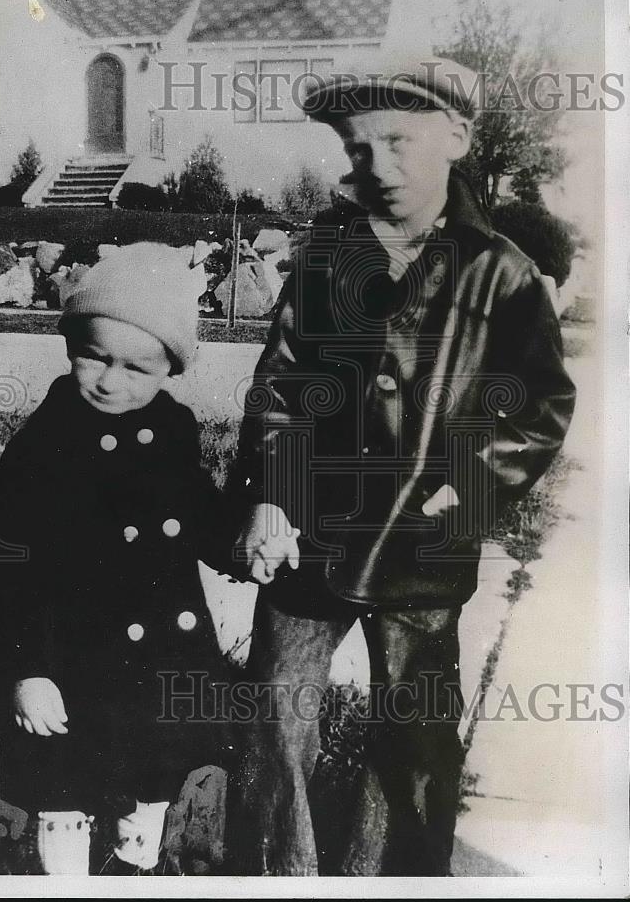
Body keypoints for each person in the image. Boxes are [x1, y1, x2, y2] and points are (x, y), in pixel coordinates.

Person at [225, 56, 576, 876]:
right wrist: (272, 495)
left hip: (421, 543)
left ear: (454, 138)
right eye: (356, 148)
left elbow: (538, 407)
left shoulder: (502, 274)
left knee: (412, 736)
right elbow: (279, 383)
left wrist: (471, 480)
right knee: (274, 714)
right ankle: (275, 875)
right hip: (310, 535)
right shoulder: (324, 259)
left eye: (397, 141)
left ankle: (394, 880)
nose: (374, 166)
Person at [0, 242, 234, 874]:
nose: (109, 380)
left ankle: (136, 855)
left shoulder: (173, 428)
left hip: (161, 653)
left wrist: (238, 544)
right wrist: (28, 670)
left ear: (169, 371)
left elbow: (195, 509)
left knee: (156, 769)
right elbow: (14, 570)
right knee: (63, 785)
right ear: (71, 346)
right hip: (71, 652)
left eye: (136, 369)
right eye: (94, 357)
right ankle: (65, 876)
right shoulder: (41, 448)